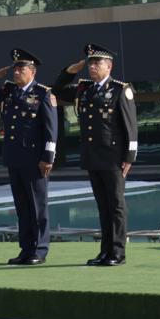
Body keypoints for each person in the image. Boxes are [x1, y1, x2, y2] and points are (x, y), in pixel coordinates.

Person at [54, 43, 138, 265]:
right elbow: (57, 89)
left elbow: (131, 126)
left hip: (113, 157)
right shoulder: (84, 89)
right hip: (92, 156)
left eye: (96, 62)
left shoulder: (121, 89)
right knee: (102, 206)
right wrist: (70, 70)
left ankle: (118, 253)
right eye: (90, 63)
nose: (92, 67)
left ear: (108, 66)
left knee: (116, 205)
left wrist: (129, 158)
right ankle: (105, 251)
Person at [0, 49, 57, 265]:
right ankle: (26, 249)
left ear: (32, 72)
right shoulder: (9, 91)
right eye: (14, 68)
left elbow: (51, 129)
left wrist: (48, 157)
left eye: (20, 69)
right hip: (14, 158)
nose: (16, 72)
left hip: (35, 159)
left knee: (37, 208)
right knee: (22, 207)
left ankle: (39, 251)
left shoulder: (42, 93)